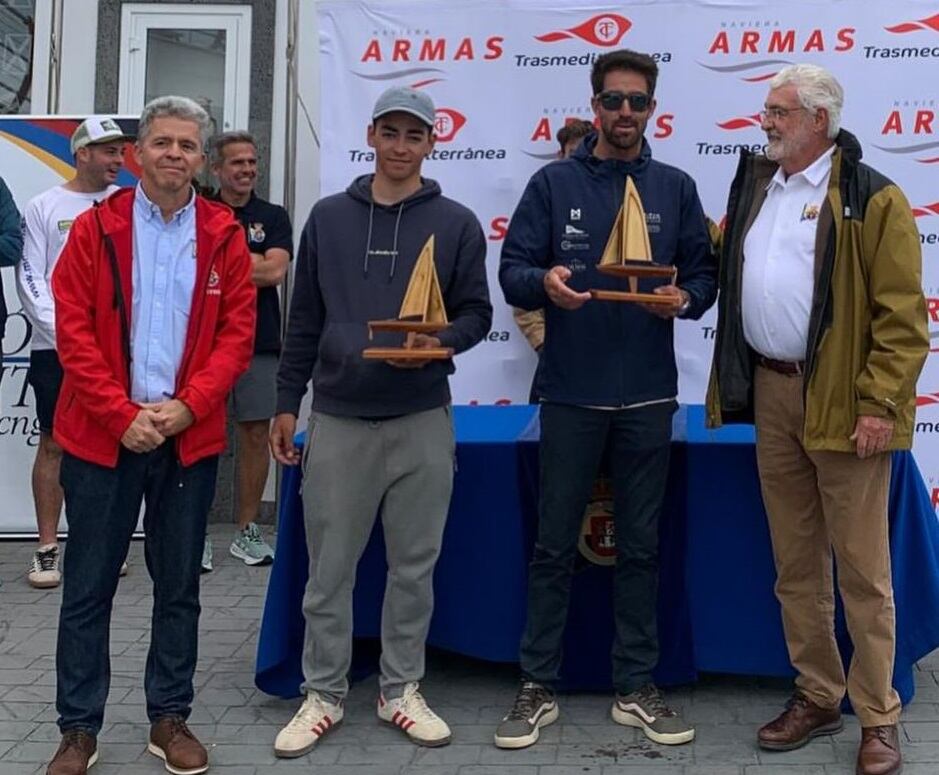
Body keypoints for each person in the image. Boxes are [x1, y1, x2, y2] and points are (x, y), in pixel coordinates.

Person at [706, 64, 926, 775]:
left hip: (843, 400)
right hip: (773, 393)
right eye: (767, 110)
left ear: (817, 121)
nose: (765, 121)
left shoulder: (871, 197)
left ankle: (878, 716)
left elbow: (902, 319)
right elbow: (727, 267)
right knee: (795, 563)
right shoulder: (758, 187)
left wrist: (878, 403)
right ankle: (818, 693)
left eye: (778, 111)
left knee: (863, 572)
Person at [497, 49, 717, 750]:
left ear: (652, 109)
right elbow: (513, 269)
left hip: (649, 398)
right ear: (594, 105)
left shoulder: (675, 187)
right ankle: (537, 684)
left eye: (637, 101)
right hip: (570, 394)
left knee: (641, 549)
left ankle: (635, 686)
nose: (625, 112)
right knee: (552, 546)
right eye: (613, 100)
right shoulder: (553, 182)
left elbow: (705, 275)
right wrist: (544, 284)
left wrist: (685, 299)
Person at [269, 85, 491, 757]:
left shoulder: (456, 222)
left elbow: (476, 314)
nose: (400, 146)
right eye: (390, 132)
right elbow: (304, 319)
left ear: (431, 143)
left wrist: (439, 340)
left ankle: (400, 688)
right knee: (329, 569)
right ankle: (323, 692)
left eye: (413, 135)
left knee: (413, 566)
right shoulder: (328, 217)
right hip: (338, 416)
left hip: (421, 414)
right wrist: (287, 401)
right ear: (370, 136)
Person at [45, 96, 256, 775]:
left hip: (185, 435)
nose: (173, 154)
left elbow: (237, 336)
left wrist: (190, 406)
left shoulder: (224, 233)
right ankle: (78, 728)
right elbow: (74, 331)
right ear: (137, 154)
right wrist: (121, 414)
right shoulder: (94, 228)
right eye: (161, 142)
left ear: (203, 159)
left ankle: (169, 716)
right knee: (87, 587)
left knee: (179, 586)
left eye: (187, 145)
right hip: (105, 434)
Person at [17, 117, 128, 589]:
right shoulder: (44, 205)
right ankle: (47, 548)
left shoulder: (128, 204)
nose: (118, 160)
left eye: (121, 151)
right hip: (58, 348)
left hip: (116, 351)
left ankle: (99, 543)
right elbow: (31, 277)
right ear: (82, 153)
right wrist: (70, 337)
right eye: (108, 151)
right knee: (55, 444)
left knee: (112, 444)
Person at [202, 130, 292, 571]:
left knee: (256, 433)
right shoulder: (198, 209)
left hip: (259, 339)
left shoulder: (272, 216)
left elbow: (274, 272)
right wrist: (248, 262)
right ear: (216, 168)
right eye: (238, 162)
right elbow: (192, 265)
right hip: (204, 343)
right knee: (201, 436)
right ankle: (195, 533)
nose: (247, 170)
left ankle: (247, 530)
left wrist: (223, 262)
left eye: (252, 162)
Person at [512, 119, 596, 395]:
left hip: (617, 358)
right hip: (557, 362)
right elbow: (522, 284)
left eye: (588, 152)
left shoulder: (616, 201)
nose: (581, 160)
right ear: (561, 155)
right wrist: (545, 345)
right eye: (574, 153)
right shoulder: (544, 203)